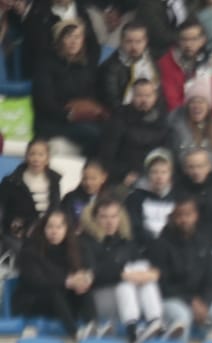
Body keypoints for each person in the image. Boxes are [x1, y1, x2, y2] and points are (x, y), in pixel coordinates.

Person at [152, 197, 212, 340]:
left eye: (188, 215)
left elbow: (211, 279)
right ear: (172, 217)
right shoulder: (161, 244)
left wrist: (204, 303)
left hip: (200, 301)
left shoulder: (202, 241)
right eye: (179, 215)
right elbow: (163, 286)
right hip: (169, 300)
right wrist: (191, 301)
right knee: (182, 317)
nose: (184, 220)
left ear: (195, 216)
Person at [82, 197, 165, 342]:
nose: (109, 222)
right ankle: (131, 328)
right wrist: (122, 274)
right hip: (100, 295)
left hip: (128, 297)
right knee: (125, 281)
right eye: (104, 217)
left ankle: (155, 321)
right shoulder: (87, 242)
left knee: (141, 272)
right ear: (95, 218)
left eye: (114, 216)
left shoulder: (125, 242)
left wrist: (149, 274)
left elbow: (141, 268)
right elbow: (93, 274)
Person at [15, 210, 94, 338]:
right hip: (35, 301)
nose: (54, 231)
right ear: (43, 229)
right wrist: (67, 281)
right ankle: (75, 333)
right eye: (50, 227)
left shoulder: (73, 248)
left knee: (84, 289)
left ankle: (92, 326)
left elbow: (88, 267)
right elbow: (36, 280)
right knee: (54, 292)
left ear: (66, 229)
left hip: (63, 304)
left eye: (59, 227)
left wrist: (84, 278)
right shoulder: (30, 251)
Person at [33, 21, 105, 154]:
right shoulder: (45, 65)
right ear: (59, 40)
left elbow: (92, 95)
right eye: (68, 37)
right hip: (53, 122)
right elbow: (44, 102)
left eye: (77, 37)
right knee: (96, 134)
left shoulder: (85, 65)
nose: (74, 41)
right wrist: (69, 114)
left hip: (80, 119)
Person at [159, 19, 212, 123]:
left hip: (207, 121)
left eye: (194, 39)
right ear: (178, 41)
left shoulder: (208, 64)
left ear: (202, 40)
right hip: (179, 120)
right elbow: (172, 102)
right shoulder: (166, 63)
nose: (188, 44)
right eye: (184, 39)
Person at [0, 140, 61, 240]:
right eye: (32, 154)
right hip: (17, 233)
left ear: (47, 158)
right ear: (26, 157)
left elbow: (56, 208)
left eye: (41, 155)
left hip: (47, 232)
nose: (36, 158)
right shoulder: (11, 181)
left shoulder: (54, 181)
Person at [97, 21, 160, 112]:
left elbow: (159, 90)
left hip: (152, 112)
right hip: (124, 115)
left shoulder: (151, 59)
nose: (134, 46)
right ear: (122, 41)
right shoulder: (111, 67)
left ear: (145, 41)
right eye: (129, 41)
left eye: (138, 42)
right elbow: (112, 101)